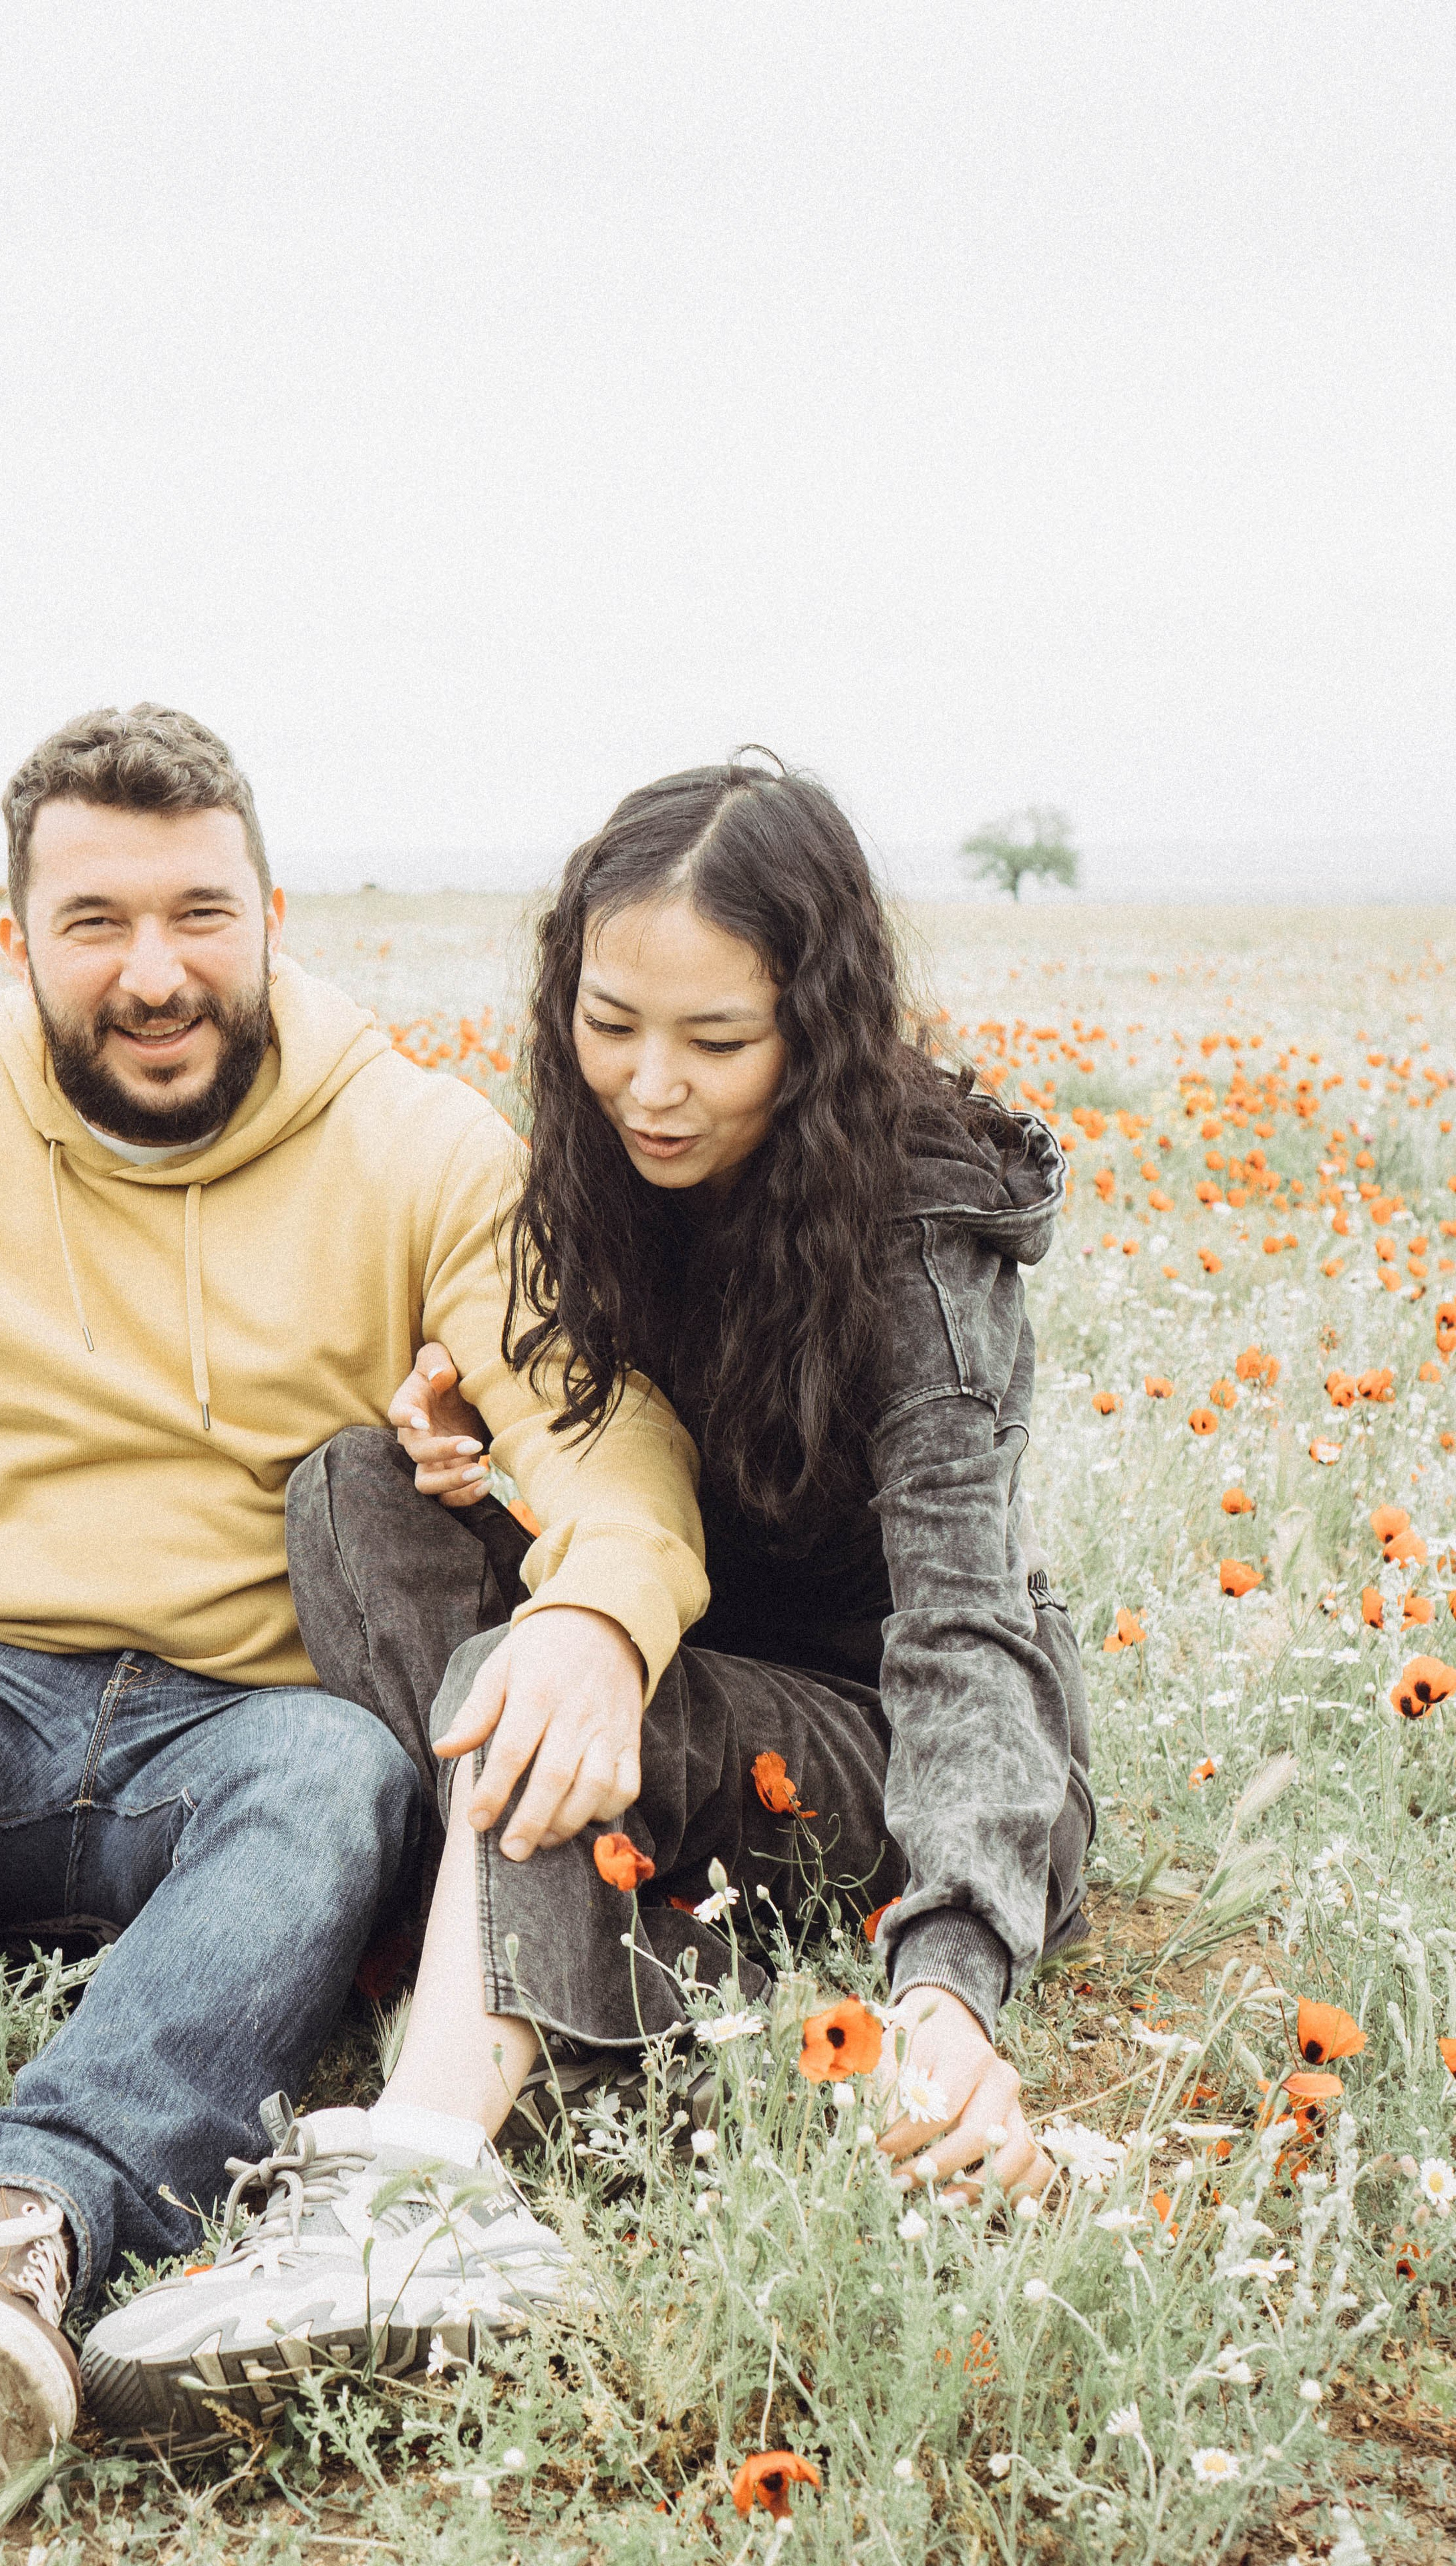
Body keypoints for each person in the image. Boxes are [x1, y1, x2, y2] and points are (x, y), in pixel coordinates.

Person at [83, 754, 1093, 2449]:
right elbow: (610, 1457)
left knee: (527, 1670)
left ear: (818, 1026)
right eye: (611, 1025)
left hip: (867, 1733)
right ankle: (540, 1938)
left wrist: (947, 1974)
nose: (651, 1087)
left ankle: (420, 2186)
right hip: (674, 1667)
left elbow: (963, 1627)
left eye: (718, 1043)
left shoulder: (919, 1227)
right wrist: (489, 1460)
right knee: (355, 1487)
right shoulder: (592, 1163)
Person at [0, 705, 706, 2494]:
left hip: (245, 1742)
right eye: (98, 921)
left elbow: (606, 1434)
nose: (156, 970)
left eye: (199, 913)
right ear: (16, 937)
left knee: (344, 1768)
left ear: (273, 914)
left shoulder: (418, 1150)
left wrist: (594, 1617)